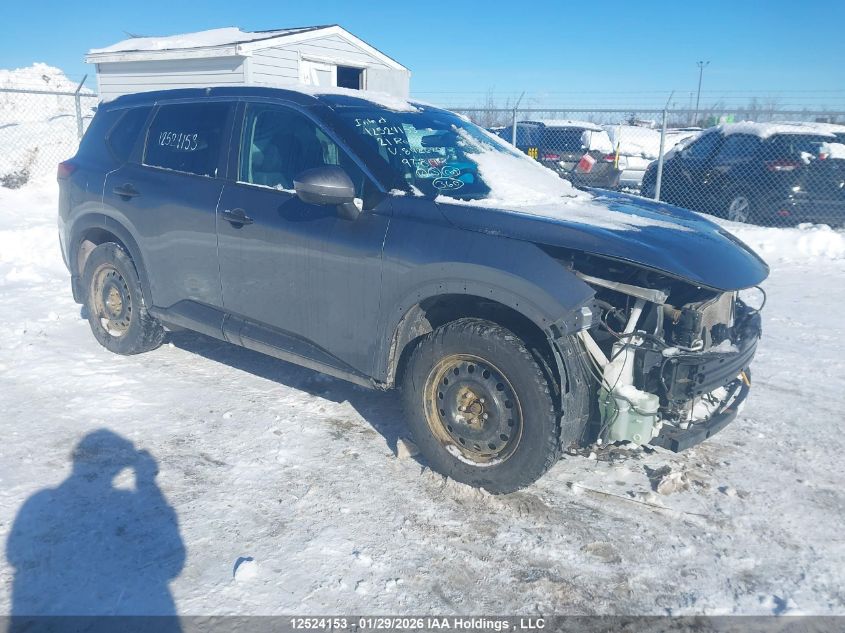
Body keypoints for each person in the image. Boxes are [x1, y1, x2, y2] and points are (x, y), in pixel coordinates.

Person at [6, 429, 185, 629]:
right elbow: (172, 563)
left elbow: (16, 554)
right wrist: (146, 481)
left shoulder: (39, 502)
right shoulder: (125, 502)